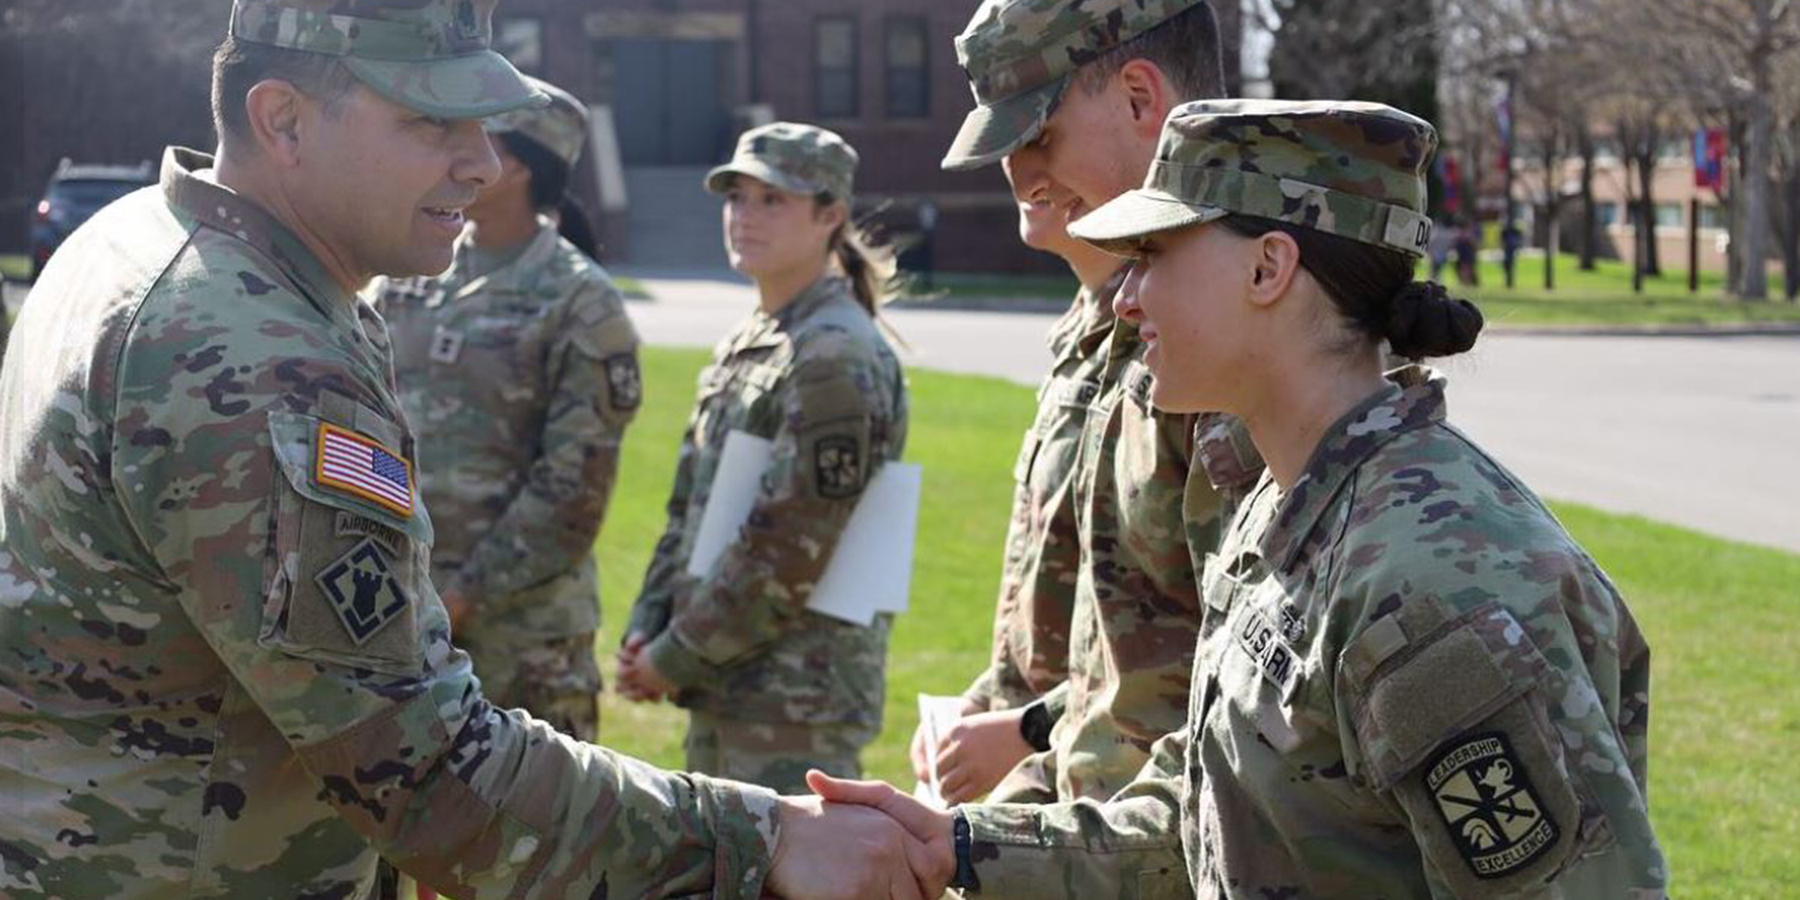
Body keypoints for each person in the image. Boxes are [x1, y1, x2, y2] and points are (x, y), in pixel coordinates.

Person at [0, 2, 933, 898]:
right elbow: (430, 772)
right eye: (431, 122)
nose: (482, 164)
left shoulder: (131, 240)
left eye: (483, 125)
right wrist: (764, 837)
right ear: (282, 120)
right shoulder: (259, 354)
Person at [816, 99, 1668, 900]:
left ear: (1270, 267)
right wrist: (959, 843)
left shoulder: (1433, 588)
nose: (1126, 295)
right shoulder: (1281, 510)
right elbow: (1201, 819)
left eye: (1156, 255)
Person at [912, 0, 1263, 814]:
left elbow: (1246, 652)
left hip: (1156, 835)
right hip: (1064, 830)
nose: (1017, 172)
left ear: (1142, 100)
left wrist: (1028, 732)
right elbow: (1084, 612)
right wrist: (985, 711)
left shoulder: (1233, 335)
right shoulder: (1099, 322)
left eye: (1038, 134)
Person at [616, 123, 910, 794]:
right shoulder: (753, 340)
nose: (744, 216)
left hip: (796, 699)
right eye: (736, 198)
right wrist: (648, 623)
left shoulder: (834, 352)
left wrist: (676, 652)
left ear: (830, 214)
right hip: (731, 679)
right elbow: (688, 505)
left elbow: (790, 542)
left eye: (772, 200)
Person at [372, 75, 633, 743]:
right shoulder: (406, 272)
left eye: (472, 136)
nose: (452, 155)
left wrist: (464, 594)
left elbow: (574, 487)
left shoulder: (580, 301)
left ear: (513, 165)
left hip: (525, 640)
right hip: (399, 614)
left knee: (536, 841)